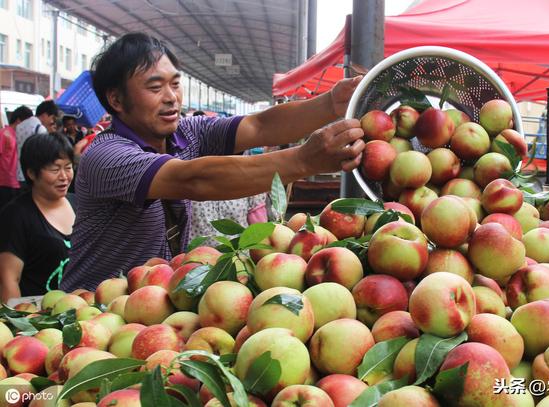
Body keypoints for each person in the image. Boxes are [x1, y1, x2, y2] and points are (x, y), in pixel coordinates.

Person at [61, 32, 364, 291]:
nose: (172, 97)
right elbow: (193, 180)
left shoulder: (187, 134)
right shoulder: (105, 156)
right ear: (116, 100)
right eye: (155, 88)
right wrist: (304, 160)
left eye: (175, 84)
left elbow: (259, 126)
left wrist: (330, 104)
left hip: (146, 309)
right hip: (91, 311)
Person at [0, 133, 75, 302]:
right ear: (32, 173)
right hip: (38, 316)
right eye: (55, 169)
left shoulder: (80, 204)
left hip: (79, 311)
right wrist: (19, 321)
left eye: (68, 167)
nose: (64, 176)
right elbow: (9, 279)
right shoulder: (16, 215)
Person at [15, 100, 60, 188]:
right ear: (44, 115)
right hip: (34, 174)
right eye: (52, 118)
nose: (52, 121)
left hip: (20, 172)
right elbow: (46, 152)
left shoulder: (20, 125)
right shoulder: (40, 129)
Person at [0, 106, 33, 209]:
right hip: (5, 183)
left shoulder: (20, 134)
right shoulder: (4, 133)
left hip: (19, 182)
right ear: (19, 120)